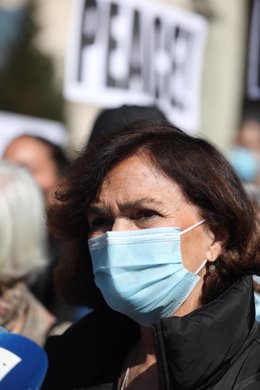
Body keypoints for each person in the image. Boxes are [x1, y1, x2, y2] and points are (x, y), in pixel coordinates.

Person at [42, 120, 260, 390]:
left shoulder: (252, 370)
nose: (116, 235)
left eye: (145, 214)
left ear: (215, 236)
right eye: (100, 220)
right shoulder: (68, 359)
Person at [2, 134, 75, 321]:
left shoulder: (74, 255)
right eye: (5, 167)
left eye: (24, 170)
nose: (11, 180)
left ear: (62, 182)